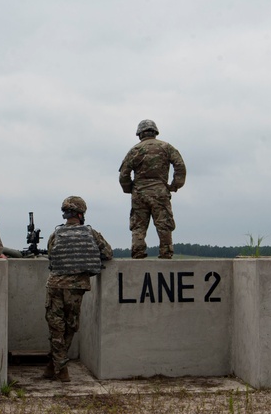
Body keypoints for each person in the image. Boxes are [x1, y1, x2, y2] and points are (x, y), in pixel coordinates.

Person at [44, 196, 113, 382]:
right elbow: (107, 253)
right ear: (81, 214)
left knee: (56, 327)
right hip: (76, 288)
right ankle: (60, 368)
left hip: (55, 285)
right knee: (69, 327)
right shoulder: (91, 234)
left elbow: (51, 255)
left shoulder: (56, 234)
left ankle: (56, 366)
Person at [118, 119, 186, 259]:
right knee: (164, 224)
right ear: (155, 132)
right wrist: (175, 185)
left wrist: (129, 188)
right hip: (160, 192)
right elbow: (180, 166)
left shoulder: (135, 150)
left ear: (140, 134)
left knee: (138, 226)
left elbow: (124, 174)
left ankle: (138, 253)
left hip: (139, 193)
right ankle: (166, 254)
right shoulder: (166, 147)